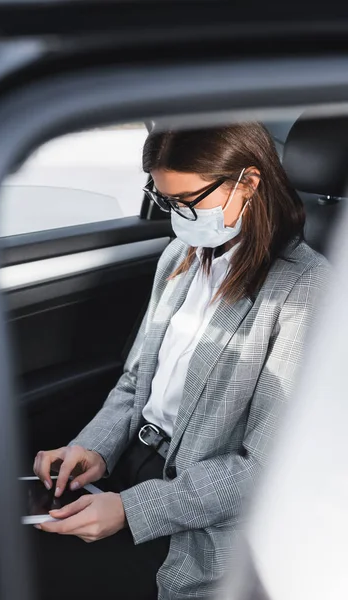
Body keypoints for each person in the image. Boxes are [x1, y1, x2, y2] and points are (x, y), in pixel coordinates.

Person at [31, 123, 329, 600]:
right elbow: (135, 384)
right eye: (168, 201)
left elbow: (262, 468)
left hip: (199, 519)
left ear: (248, 183)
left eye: (190, 201)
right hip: (130, 468)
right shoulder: (180, 257)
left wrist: (133, 510)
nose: (179, 218)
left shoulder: (306, 290)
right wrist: (94, 448)